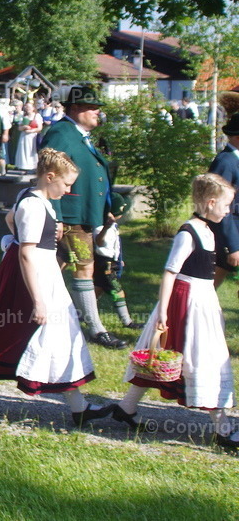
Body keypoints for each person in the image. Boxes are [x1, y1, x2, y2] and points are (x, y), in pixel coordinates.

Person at [0, 148, 113, 426]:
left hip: (42, 274)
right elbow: (26, 253)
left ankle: (79, 408)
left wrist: (43, 231)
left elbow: (10, 220)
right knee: (6, 338)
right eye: (66, 184)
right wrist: (38, 300)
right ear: (50, 176)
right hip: (29, 278)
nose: (68, 190)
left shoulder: (35, 200)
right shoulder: (33, 204)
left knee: (60, 335)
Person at [113, 173, 239, 448]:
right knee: (204, 357)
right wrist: (163, 312)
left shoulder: (209, 230)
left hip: (202, 298)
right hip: (187, 301)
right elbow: (170, 271)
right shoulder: (188, 232)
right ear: (211, 202)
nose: (230, 211)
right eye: (227, 205)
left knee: (165, 358)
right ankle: (223, 429)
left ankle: (126, 408)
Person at [39, 84, 126, 350]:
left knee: (54, 267)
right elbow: (48, 175)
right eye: (93, 107)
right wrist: (57, 216)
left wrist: (108, 205)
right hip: (70, 213)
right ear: (75, 109)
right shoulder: (61, 134)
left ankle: (28, 312)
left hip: (84, 213)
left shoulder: (78, 135)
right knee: (84, 267)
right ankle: (96, 329)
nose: (98, 112)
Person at [93, 192, 142, 329]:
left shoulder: (113, 226)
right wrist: (106, 228)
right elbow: (99, 242)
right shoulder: (101, 226)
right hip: (104, 263)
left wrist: (118, 260)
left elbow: (115, 245)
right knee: (117, 291)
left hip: (111, 261)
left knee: (98, 288)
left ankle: (81, 313)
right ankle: (127, 322)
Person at [207, 109, 239, 286]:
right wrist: (233, 245)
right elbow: (220, 207)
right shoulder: (225, 162)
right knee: (208, 287)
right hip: (229, 235)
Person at [15, 102, 42, 172]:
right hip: (24, 136)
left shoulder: (37, 116)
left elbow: (40, 128)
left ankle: (33, 167)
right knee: (24, 151)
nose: (28, 109)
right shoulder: (23, 116)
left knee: (32, 151)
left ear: (33, 108)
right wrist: (24, 127)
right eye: (26, 107)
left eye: (29, 107)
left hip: (33, 137)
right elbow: (19, 128)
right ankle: (23, 167)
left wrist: (31, 131)